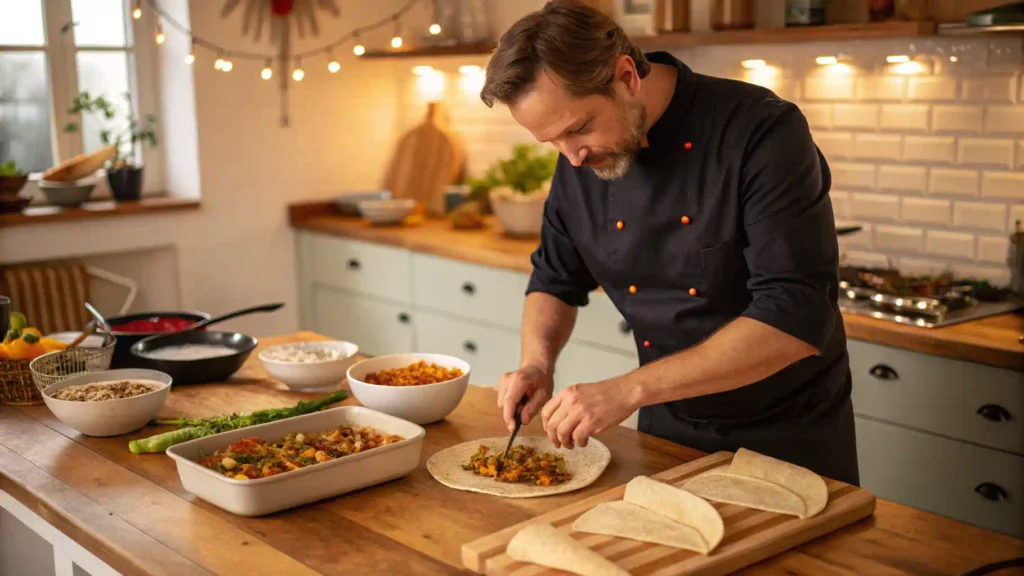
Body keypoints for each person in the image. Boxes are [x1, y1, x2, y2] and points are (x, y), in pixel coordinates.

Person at [483, 0, 858, 484]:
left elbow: (795, 314)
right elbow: (555, 277)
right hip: (665, 429)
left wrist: (626, 391)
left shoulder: (761, 131)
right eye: (552, 142)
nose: (571, 158)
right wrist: (536, 363)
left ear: (625, 76)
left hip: (787, 434)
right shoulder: (582, 157)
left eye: (577, 129)